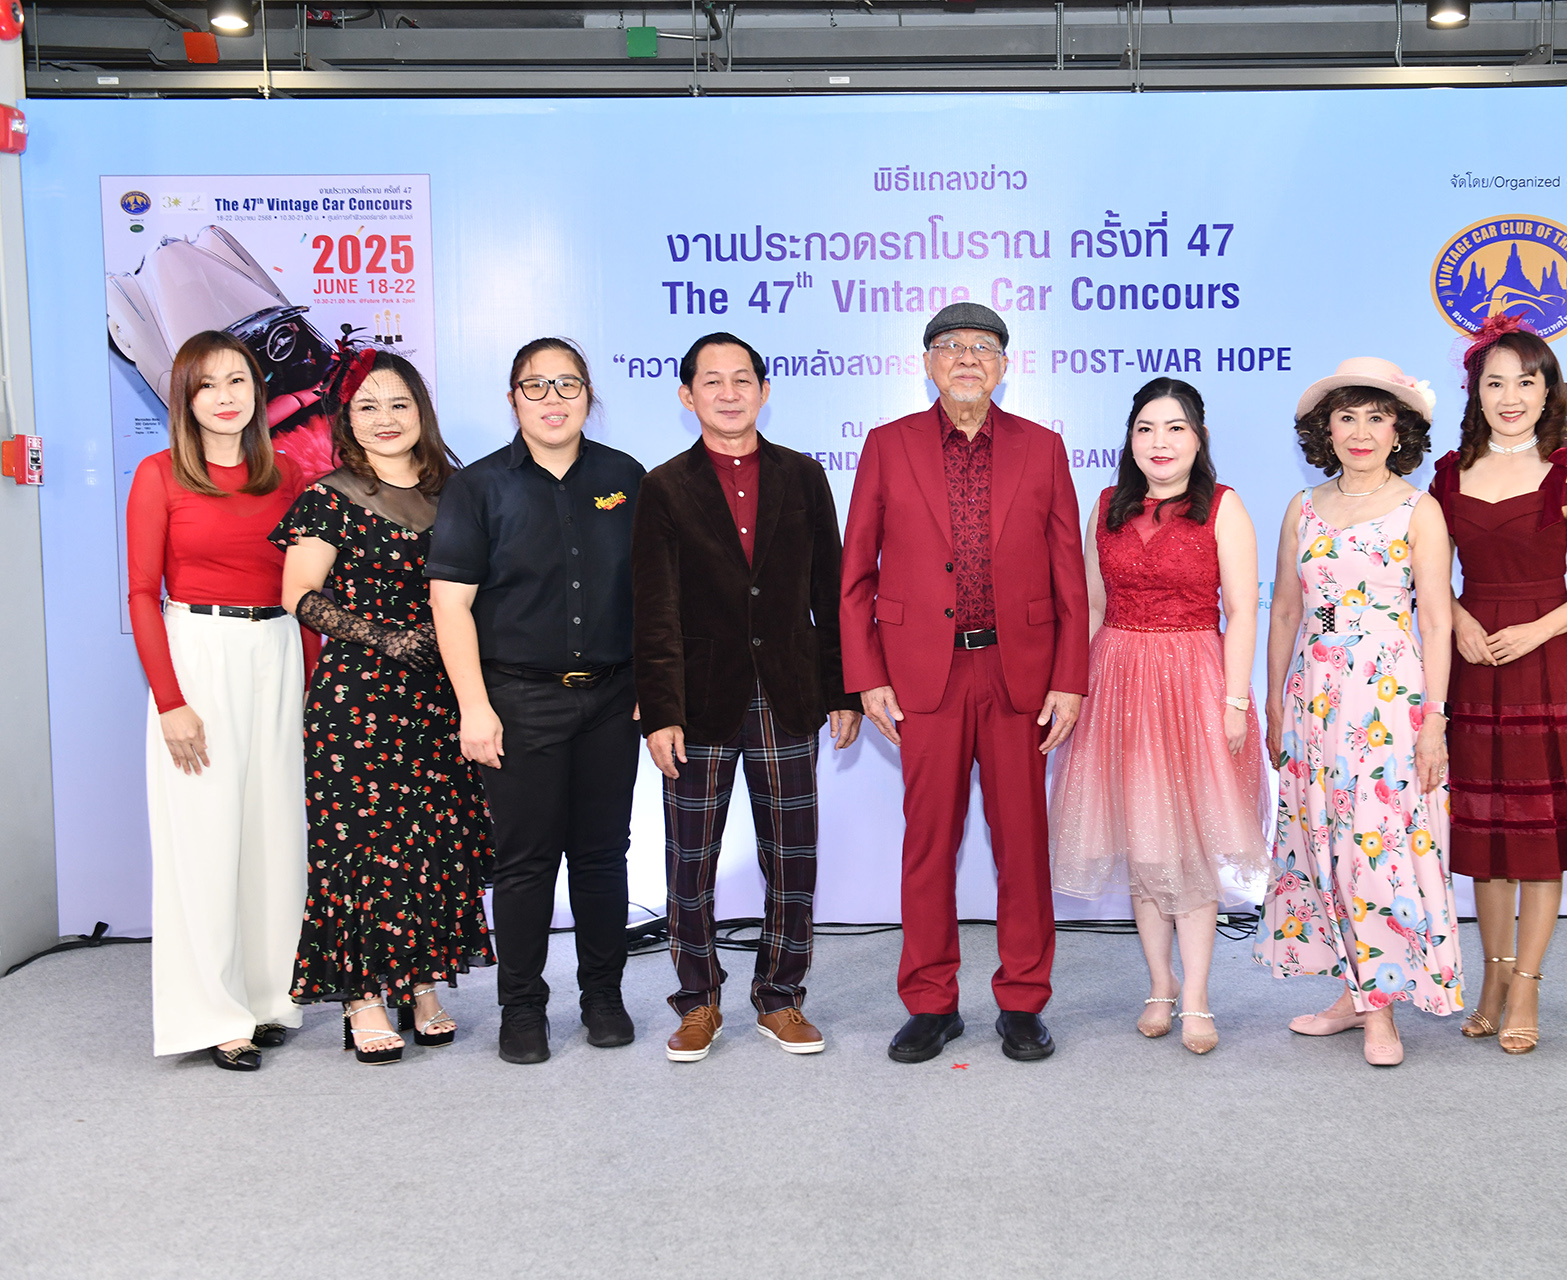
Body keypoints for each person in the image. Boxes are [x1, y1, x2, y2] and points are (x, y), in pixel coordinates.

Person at [840, 302, 1090, 1064]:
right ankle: (930, 1002)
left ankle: (1023, 1000)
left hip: (1020, 676)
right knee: (928, 845)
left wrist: (1070, 679)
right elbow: (856, 575)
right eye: (951, 345)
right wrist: (867, 677)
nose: (968, 357)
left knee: (1024, 847)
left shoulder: (1043, 448)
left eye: (984, 346)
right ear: (928, 363)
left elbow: (1069, 576)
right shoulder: (887, 446)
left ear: (1005, 365)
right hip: (925, 677)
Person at [631, 333, 861, 1063]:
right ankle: (698, 1001)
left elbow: (832, 591)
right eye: (712, 381)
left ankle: (781, 997)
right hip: (699, 699)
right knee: (688, 860)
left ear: (764, 390)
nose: (728, 393)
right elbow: (654, 608)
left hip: (788, 692)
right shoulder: (664, 487)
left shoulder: (804, 477)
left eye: (742, 380)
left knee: (793, 856)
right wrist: (661, 710)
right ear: (686, 395)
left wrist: (843, 690)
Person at [427, 338, 647, 1065]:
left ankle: (603, 997)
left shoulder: (624, 477)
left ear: (589, 395)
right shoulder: (479, 486)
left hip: (612, 700)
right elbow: (450, 605)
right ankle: (522, 1008)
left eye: (568, 385)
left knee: (602, 857)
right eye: (536, 386)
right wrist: (474, 707)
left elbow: (653, 592)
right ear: (513, 399)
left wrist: (652, 686)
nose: (553, 400)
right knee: (524, 865)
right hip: (518, 701)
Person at [272, 350, 495, 1065]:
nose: (385, 418)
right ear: (346, 420)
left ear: (421, 411)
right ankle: (363, 996)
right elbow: (297, 594)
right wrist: (385, 638)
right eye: (367, 406)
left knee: (432, 842)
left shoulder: (459, 492)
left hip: (440, 695)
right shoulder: (329, 497)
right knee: (361, 848)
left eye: (399, 403)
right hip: (357, 699)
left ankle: (422, 982)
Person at [1429, 315, 1567, 1056]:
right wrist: (1457, 619)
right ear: (1475, 392)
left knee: (1540, 834)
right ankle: (1491, 977)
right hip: (1475, 661)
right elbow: (1424, 573)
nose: (1510, 397)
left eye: (1525, 382)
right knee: (1487, 835)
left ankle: (1527, 986)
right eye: (1495, 383)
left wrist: (1538, 630)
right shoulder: (1447, 474)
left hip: (1548, 659)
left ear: (1548, 392)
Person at [1050, 378, 1268, 1055]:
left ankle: (1197, 994)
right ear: (1130, 439)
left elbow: (1242, 612)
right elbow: (1090, 606)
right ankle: (1159, 984)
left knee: (1190, 848)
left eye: (1175, 428)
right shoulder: (1105, 506)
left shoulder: (1223, 506)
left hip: (1195, 682)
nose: (1160, 442)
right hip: (1117, 682)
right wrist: (1077, 688)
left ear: (1198, 438)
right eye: (1146, 428)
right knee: (1144, 844)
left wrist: (1235, 701)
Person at [1256, 357, 1462, 1067]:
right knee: (1323, 846)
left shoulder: (1419, 509)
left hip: (1388, 700)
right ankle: (1353, 991)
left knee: (1378, 848)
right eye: (1347, 417)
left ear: (1400, 430)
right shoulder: (1303, 507)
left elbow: (1436, 621)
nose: (1361, 432)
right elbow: (1286, 611)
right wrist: (1273, 701)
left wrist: (1435, 720)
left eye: (1377, 417)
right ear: (1327, 430)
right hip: (1313, 698)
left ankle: (1382, 1011)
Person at [127, 330, 310, 1071]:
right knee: (204, 840)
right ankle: (212, 1012)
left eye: (239, 380)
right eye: (208, 385)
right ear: (186, 398)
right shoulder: (159, 475)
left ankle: (267, 999)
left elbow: (305, 590)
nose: (227, 397)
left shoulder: (287, 475)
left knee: (274, 835)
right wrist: (170, 700)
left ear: (259, 392)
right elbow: (141, 594)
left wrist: (311, 687)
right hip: (197, 655)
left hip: (278, 651)